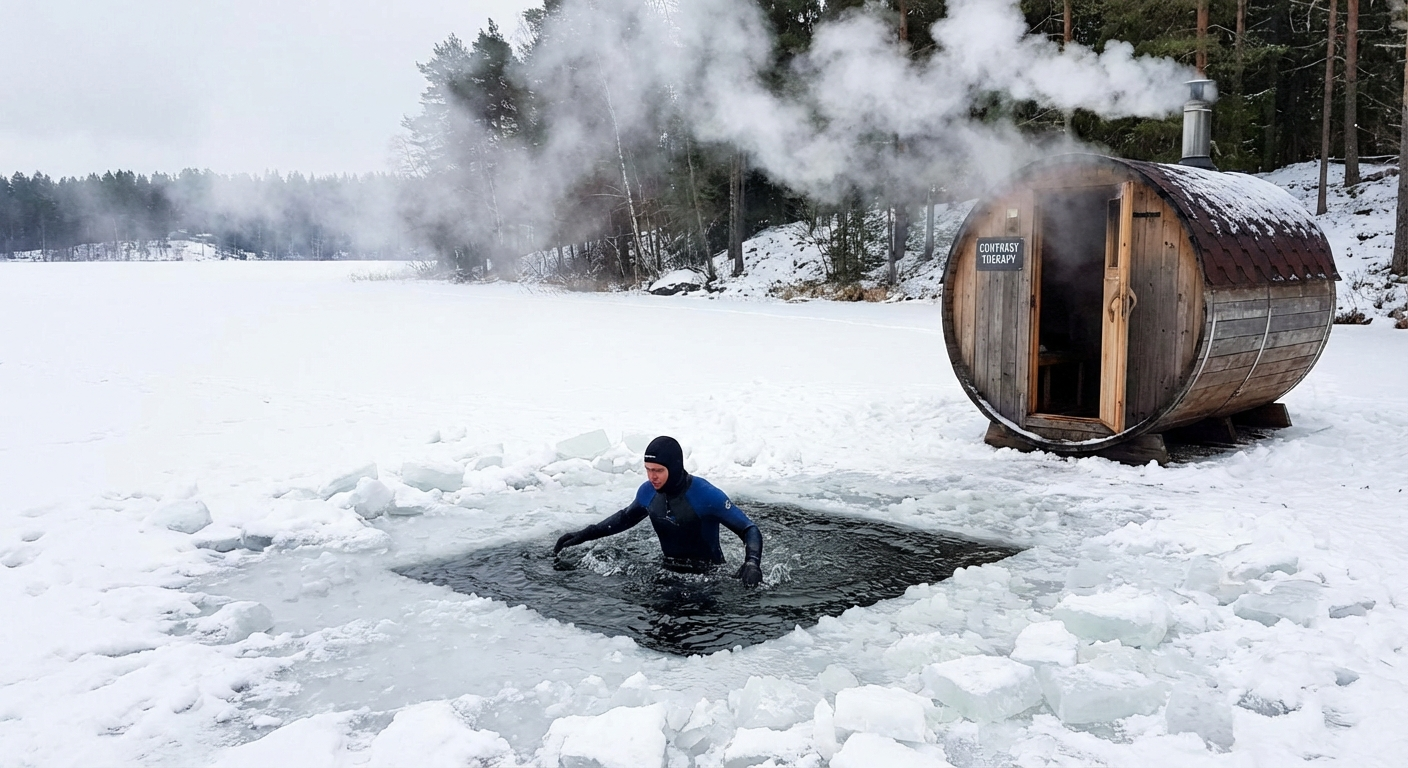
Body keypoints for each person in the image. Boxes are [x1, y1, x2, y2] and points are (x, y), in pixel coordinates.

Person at [553, 436, 764, 586]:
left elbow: (748, 529)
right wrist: (585, 534)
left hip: (709, 579)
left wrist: (752, 563)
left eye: (658, 471)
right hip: (667, 573)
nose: (652, 477)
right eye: (648, 470)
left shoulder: (706, 495)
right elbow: (625, 518)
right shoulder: (648, 493)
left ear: (674, 467)